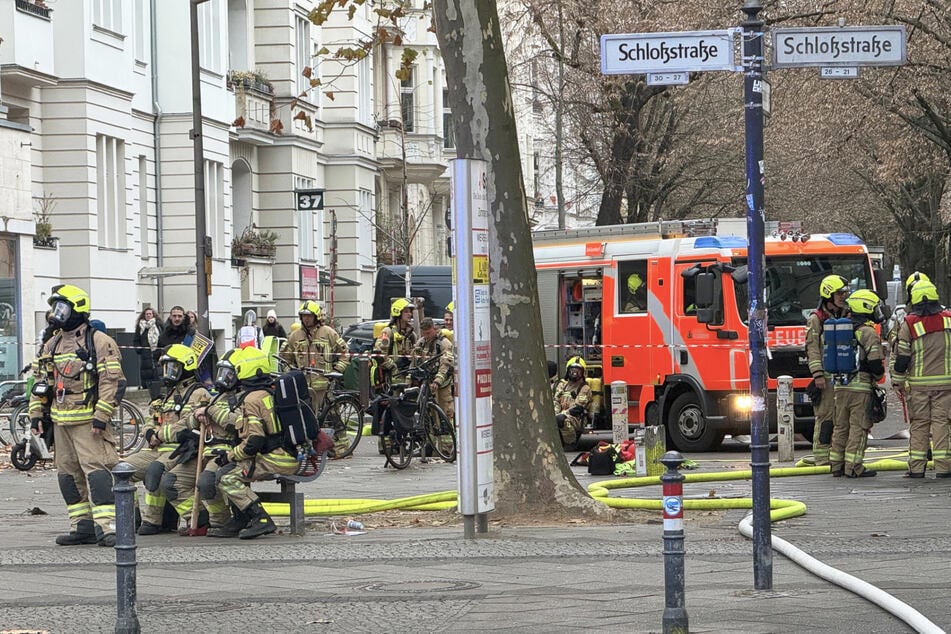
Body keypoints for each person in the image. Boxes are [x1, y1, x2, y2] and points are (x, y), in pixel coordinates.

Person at [28, 284, 126, 546]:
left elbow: (111, 381)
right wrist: (36, 414)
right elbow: (40, 382)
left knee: (97, 473)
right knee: (67, 475)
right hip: (61, 422)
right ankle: (82, 525)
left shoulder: (99, 341)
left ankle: (110, 527)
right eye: (55, 308)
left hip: (89, 422)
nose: (57, 313)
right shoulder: (53, 343)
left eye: (62, 307)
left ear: (78, 309)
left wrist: (101, 417)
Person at [208, 347, 299, 539]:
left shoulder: (251, 399)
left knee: (227, 477)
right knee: (229, 469)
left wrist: (230, 455)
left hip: (276, 458)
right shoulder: (267, 392)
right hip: (286, 455)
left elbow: (254, 441)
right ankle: (241, 519)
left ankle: (261, 519)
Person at [892, 280, 951, 478]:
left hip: (918, 386)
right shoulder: (949, 320)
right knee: (942, 423)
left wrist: (898, 381)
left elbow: (902, 357)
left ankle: (917, 468)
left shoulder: (909, 323)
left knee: (919, 424)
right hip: (945, 384)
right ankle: (944, 468)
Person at [279, 301, 351, 455]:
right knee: (306, 417)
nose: (306, 319)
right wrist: (289, 373)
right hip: (303, 385)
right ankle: (314, 446)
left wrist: (337, 370)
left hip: (325, 383)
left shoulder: (329, 333)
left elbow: (345, 353)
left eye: (309, 316)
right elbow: (284, 358)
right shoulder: (294, 336)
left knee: (332, 415)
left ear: (316, 317)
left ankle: (342, 447)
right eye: (304, 316)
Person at [829, 289, 885, 478]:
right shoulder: (867, 332)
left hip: (839, 385)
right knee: (858, 427)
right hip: (860, 387)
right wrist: (878, 377)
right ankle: (854, 466)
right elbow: (875, 363)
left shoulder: (839, 330)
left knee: (840, 426)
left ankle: (836, 465)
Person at [804, 274, 850, 466]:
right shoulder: (817, 319)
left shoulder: (847, 314)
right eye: (839, 293)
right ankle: (822, 457)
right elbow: (812, 347)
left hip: (845, 377)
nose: (843, 297)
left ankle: (838, 454)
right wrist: (818, 375)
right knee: (826, 416)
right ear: (829, 294)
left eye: (844, 293)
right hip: (827, 377)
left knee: (843, 416)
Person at [414, 318, 454, 426]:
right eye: (424, 333)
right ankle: (429, 440)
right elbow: (414, 361)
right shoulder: (421, 343)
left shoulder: (444, 343)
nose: (426, 336)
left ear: (434, 329)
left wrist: (437, 381)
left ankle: (447, 441)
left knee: (444, 414)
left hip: (442, 386)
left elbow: (446, 364)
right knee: (428, 415)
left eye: (428, 333)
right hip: (426, 384)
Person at [373, 298, 417, 387]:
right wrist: (392, 367)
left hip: (408, 375)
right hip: (392, 376)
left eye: (410, 312)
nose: (410, 314)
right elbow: (378, 352)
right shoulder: (388, 332)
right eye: (406, 311)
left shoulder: (412, 335)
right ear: (398, 312)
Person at [552, 356, 592, 448]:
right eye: (572, 370)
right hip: (561, 414)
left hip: (576, 418)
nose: (574, 373)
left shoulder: (584, 388)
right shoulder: (562, 385)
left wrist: (562, 414)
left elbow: (578, 408)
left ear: (583, 373)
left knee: (561, 419)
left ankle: (569, 443)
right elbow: (556, 401)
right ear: (567, 371)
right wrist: (555, 414)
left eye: (578, 371)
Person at [133, 308, 162, 390]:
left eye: (150, 314)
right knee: (145, 371)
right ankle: (146, 386)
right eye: (147, 314)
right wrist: (139, 349)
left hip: (156, 351)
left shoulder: (158, 325)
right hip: (145, 353)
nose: (148, 315)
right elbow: (136, 339)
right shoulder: (140, 326)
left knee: (157, 370)